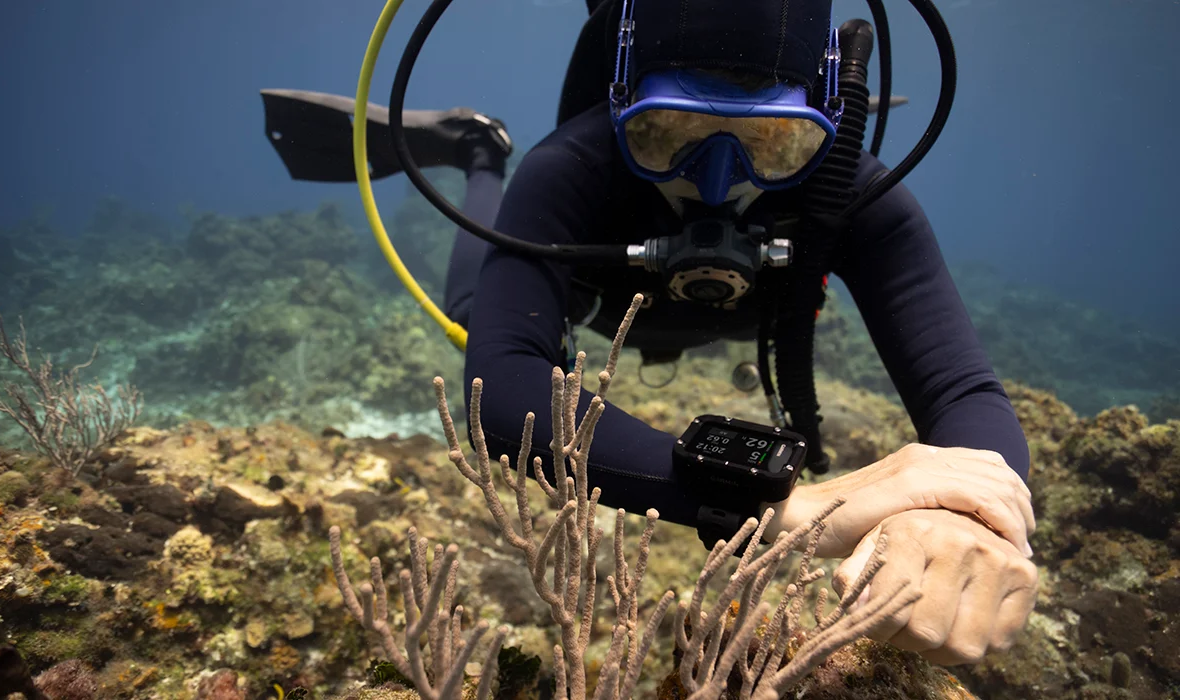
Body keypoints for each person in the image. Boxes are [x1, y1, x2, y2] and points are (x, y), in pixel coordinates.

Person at [262, 0, 1037, 667]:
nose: (715, 179)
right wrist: (779, 504)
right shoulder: (573, 164)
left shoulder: (851, 189)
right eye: (667, 134)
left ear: (823, 121)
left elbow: (963, 391)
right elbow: (499, 386)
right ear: (622, 102)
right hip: (597, 300)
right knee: (475, 316)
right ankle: (479, 151)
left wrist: (958, 515)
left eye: (772, 142)